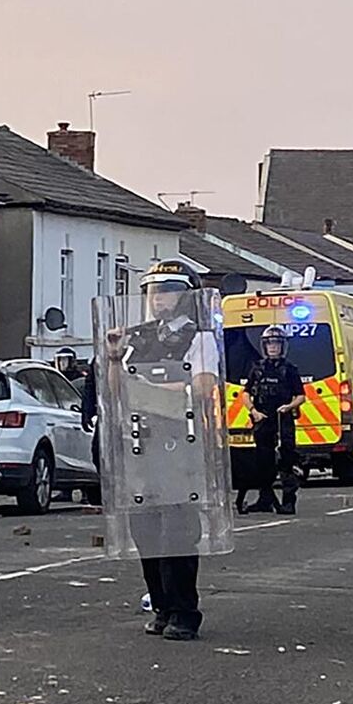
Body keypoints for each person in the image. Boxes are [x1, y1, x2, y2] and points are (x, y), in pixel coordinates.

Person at [102, 259, 222, 641]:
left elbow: (201, 387)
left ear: (185, 296)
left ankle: (185, 611)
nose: (159, 300)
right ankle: (161, 605)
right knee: (145, 531)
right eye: (154, 292)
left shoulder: (198, 337)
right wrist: (111, 358)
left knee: (178, 530)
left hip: (179, 441)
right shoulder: (136, 338)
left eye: (168, 291)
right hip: (139, 442)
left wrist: (149, 393)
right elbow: (115, 391)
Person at [238, 324, 307, 515]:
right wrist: (253, 411)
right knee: (263, 462)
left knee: (287, 460)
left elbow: (301, 395)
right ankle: (265, 499)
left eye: (276, 344)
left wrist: (289, 407)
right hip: (263, 420)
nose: (273, 347)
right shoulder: (258, 369)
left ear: (282, 346)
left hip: (282, 420)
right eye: (270, 344)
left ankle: (288, 502)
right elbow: (245, 394)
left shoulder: (290, 369)